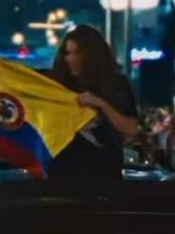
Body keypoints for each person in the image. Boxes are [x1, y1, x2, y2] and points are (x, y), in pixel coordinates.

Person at [47, 25, 139, 178]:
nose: (71, 59)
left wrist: (101, 104)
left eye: (77, 52)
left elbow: (131, 129)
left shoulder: (116, 85)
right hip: (62, 173)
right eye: (68, 53)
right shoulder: (58, 85)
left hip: (104, 174)